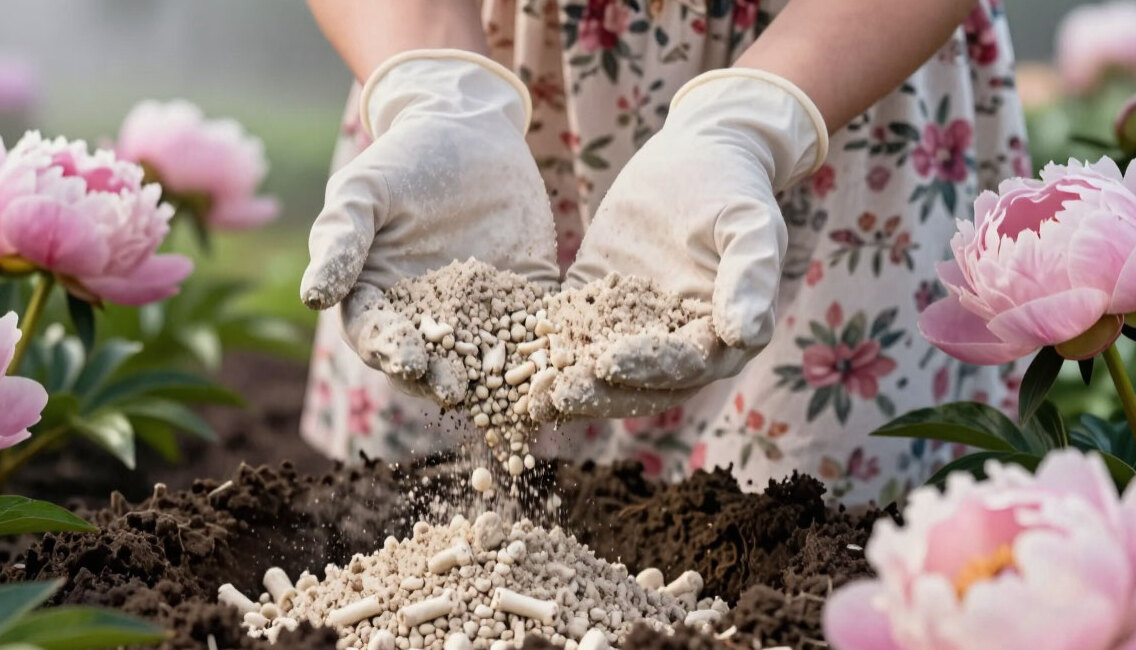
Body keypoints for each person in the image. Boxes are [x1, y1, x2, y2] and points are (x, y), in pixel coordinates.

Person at [298, 0, 1028, 505]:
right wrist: (436, 89)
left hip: (840, 68)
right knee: (431, 518)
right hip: (479, 67)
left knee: (805, 538)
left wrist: (756, 122)